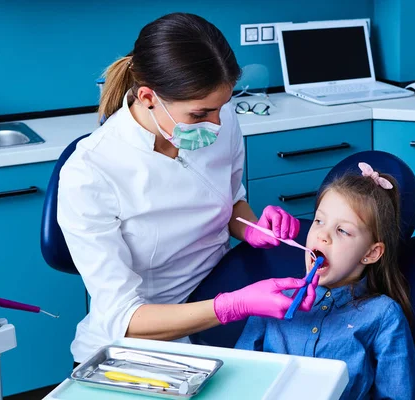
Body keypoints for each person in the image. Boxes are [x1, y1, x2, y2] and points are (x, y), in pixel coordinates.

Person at [57, 13, 317, 365]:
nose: (218, 124)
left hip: (219, 303)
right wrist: (233, 305)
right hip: (141, 342)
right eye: (199, 115)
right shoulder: (90, 172)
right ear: (149, 97)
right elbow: (124, 319)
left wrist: (253, 227)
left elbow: (229, 202)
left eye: (222, 107)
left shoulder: (218, 121)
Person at [235, 162, 415, 400]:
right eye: (319, 221)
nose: (323, 235)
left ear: (371, 253)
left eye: (343, 230)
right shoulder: (271, 300)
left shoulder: (383, 315)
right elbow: (239, 375)